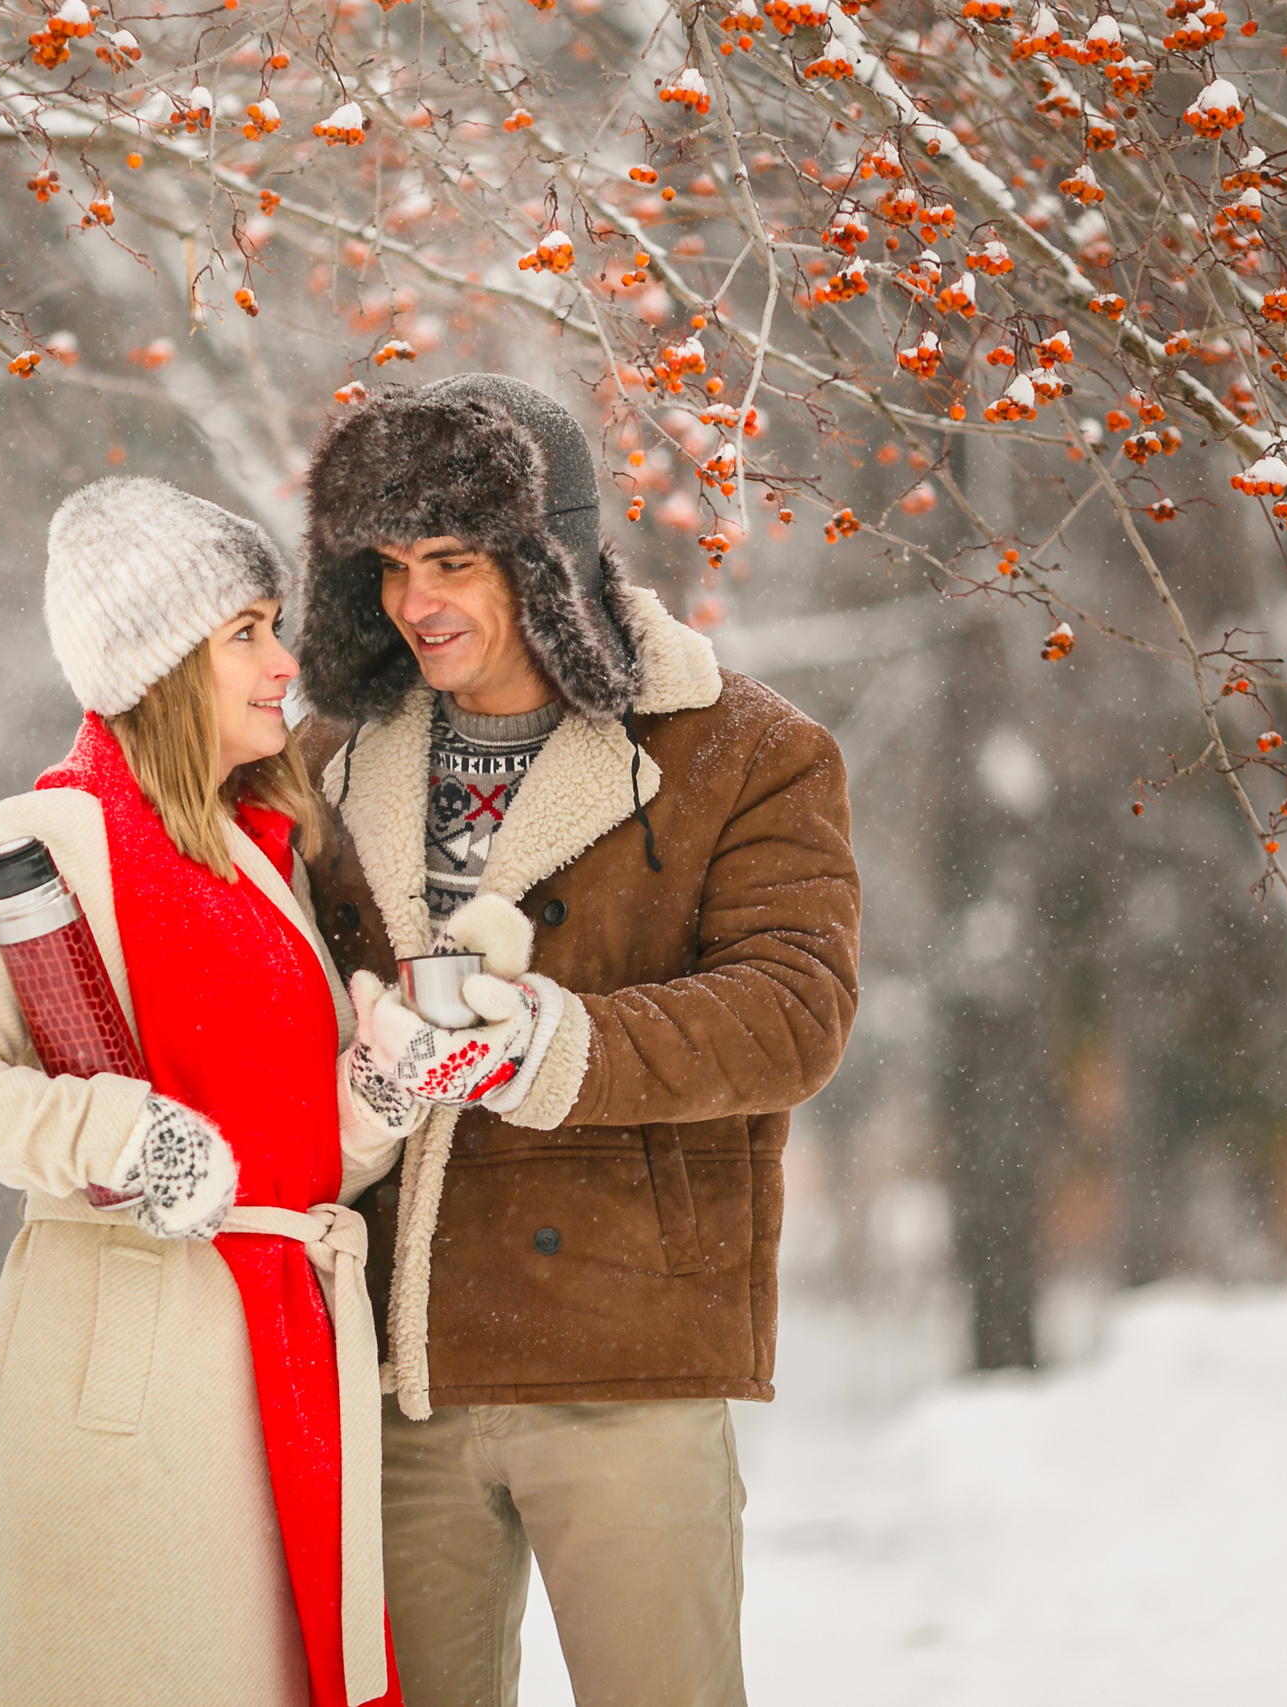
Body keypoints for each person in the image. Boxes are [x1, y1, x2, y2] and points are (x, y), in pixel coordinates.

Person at [291, 375, 863, 1707]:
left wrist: (548, 1042)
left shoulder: (747, 750)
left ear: (548, 559)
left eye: (450, 560)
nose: (411, 601)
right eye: (385, 564)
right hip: (397, 1365)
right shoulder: (327, 759)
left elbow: (793, 1009)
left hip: (628, 1356)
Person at [0, 477, 420, 1707]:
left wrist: (375, 1095)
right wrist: (123, 1133)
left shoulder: (258, 854)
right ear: (159, 664)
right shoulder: (50, 837)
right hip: (123, 1375)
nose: (284, 664)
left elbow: (287, 1152)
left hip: (281, 1359)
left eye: (273, 627)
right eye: (246, 635)